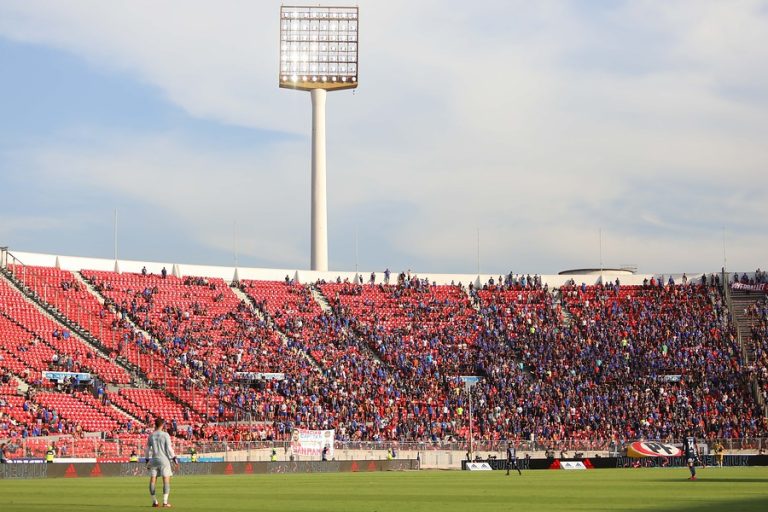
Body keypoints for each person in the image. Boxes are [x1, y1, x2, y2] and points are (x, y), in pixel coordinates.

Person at [145, 418, 179, 508]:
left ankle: (154, 501)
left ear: (155, 425)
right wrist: (175, 458)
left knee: (152, 480)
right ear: (162, 425)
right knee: (166, 480)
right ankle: (165, 502)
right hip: (164, 460)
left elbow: (147, 449)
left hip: (154, 460)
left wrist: (147, 460)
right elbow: (169, 448)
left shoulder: (151, 436)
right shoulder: (165, 435)